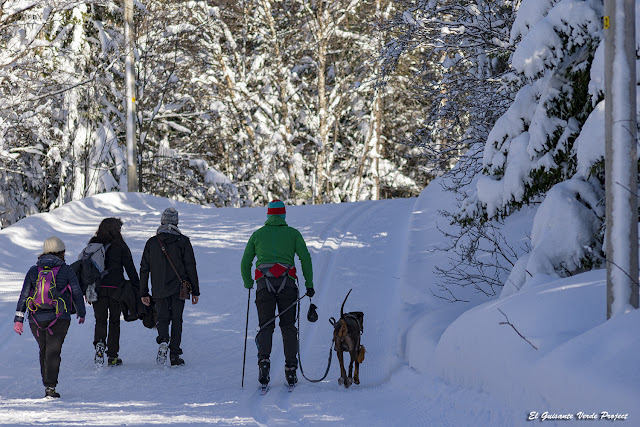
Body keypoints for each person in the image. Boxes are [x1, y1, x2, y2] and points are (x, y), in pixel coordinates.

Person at [240, 199, 314, 387]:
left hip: (264, 286)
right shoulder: (293, 234)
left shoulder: (257, 235)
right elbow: (305, 258)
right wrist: (309, 284)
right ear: (283, 215)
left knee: (266, 326)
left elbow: (245, 262)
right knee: (288, 327)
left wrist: (249, 282)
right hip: (287, 286)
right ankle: (291, 370)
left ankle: (264, 363)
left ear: (268, 215)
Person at [13, 236, 86, 398]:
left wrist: (19, 319)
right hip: (60, 318)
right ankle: (50, 387)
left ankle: (47, 383)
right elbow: (76, 292)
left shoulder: (33, 270)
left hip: (35, 319)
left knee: (43, 349)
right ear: (61, 252)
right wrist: (81, 312)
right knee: (54, 351)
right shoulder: (66, 270)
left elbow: (24, 296)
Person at [140, 207, 199, 366]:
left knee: (162, 317)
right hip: (180, 289)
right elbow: (190, 266)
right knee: (177, 320)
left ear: (162, 221)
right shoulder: (183, 241)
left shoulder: (152, 242)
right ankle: (174, 355)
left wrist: (143, 292)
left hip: (158, 288)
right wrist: (195, 291)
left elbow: (144, 268)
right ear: (176, 222)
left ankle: (163, 340)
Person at [89, 217, 140, 366]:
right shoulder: (121, 246)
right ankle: (112, 356)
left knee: (100, 320)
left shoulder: (94, 244)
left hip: (97, 289)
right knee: (114, 321)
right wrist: (138, 288)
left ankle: (99, 344)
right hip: (117, 290)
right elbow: (130, 268)